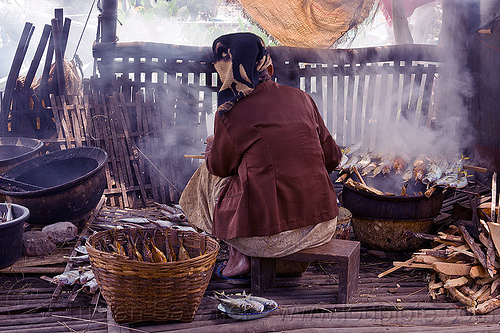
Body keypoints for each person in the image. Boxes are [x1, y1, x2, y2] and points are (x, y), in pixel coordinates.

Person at [179, 32, 342, 278]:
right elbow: (333, 158)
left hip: (266, 238)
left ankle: (237, 256)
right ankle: (248, 256)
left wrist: (213, 151)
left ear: (228, 72)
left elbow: (220, 168)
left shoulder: (231, 113)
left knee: (207, 174)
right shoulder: (303, 99)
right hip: (322, 225)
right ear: (268, 66)